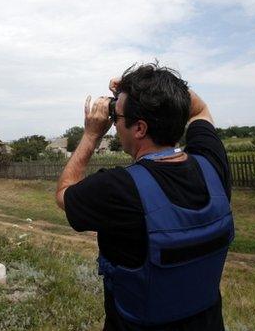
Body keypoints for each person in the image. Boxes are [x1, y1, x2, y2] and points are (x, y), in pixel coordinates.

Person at [56, 62, 234, 331]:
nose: (114, 125)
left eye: (116, 118)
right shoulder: (212, 165)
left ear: (139, 129)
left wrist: (91, 134)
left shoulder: (118, 189)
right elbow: (199, 109)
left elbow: (63, 193)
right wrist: (153, 89)